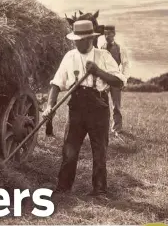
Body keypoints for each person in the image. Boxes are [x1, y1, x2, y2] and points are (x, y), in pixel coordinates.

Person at [42, 20, 127, 197]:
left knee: (99, 150)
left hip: (99, 107)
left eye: (81, 40)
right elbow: (56, 84)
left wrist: (98, 72)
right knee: (69, 149)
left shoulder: (103, 56)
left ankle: (99, 190)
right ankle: (63, 188)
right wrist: (50, 105)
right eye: (76, 40)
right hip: (77, 107)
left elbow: (119, 82)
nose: (78, 43)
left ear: (90, 38)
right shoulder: (69, 57)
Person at [98, 25, 130, 136]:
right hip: (104, 79)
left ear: (114, 34)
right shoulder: (101, 48)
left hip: (116, 79)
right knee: (101, 103)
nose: (107, 36)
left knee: (116, 105)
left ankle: (117, 129)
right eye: (105, 34)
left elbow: (125, 65)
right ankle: (102, 127)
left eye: (109, 34)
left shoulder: (120, 48)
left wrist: (124, 79)